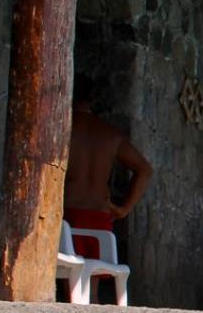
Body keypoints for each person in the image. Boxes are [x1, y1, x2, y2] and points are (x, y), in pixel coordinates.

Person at [63, 84, 153, 259]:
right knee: (92, 275)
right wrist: (123, 209)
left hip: (66, 213)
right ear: (93, 101)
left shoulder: (61, 131)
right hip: (98, 214)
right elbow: (145, 170)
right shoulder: (111, 135)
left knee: (66, 276)